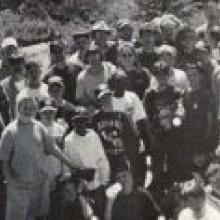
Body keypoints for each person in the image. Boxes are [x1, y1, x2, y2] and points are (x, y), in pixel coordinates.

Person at [0, 96, 77, 220]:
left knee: (39, 216)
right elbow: (3, 160)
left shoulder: (39, 127)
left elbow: (53, 149)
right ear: (19, 108)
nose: (28, 110)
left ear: (35, 110)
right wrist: (10, 181)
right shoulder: (9, 131)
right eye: (25, 107)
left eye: (31, 108)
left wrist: (70, 164)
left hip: (38, 185)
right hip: (18, 187)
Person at [144, 61, 186, 195]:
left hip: (173, 133)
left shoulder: (176, 92)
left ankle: (174, 189)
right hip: (157, 134)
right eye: (158, 74)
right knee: (157, 163)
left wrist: (175, 120)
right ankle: (157, 190)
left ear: (169, 75)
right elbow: (147, 115)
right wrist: (155, 128)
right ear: (155, 76)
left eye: (164, 74)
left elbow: (181, 108)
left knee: (173, 162)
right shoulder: (150, 94)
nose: (161, 77)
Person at [64, 107, 110, 219]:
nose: (80, 124)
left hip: (97, 182)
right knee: (86, 214)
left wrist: (104, 181)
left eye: (82, 120)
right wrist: (77, 178)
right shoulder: (68, 140)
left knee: (101, 212)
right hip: (81, 185)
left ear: (87, 121)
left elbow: (102, 158)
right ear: (73, 123)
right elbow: (68, 164)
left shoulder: (93, 135)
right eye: (77, 121)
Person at [92, 85, 140, 185]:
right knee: (107, 185)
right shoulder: (95, 118)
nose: (107, 100)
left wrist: (129, 157)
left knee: (125, 185)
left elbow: (133, 137)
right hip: (105, 158)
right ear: (99, 101)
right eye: (103, 98)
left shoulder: (122, 116)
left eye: (108, 97)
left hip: (121, 157)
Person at [75, 42, 116, 112]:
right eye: (90, 54)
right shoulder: (81, 76)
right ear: (86, 57)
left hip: (112, 105)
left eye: (95, 53)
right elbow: (80, 97)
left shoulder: (110, 68)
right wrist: (91, 105)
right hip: (93, 110)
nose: (93, 57)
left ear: (100, 55)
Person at [0, 53, 25, 121]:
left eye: (19, 62)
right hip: (13, 126)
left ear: (24, 64)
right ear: (9, 66)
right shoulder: (2, 86)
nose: (17, 65)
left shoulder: (31, 82)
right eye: (13, 63)